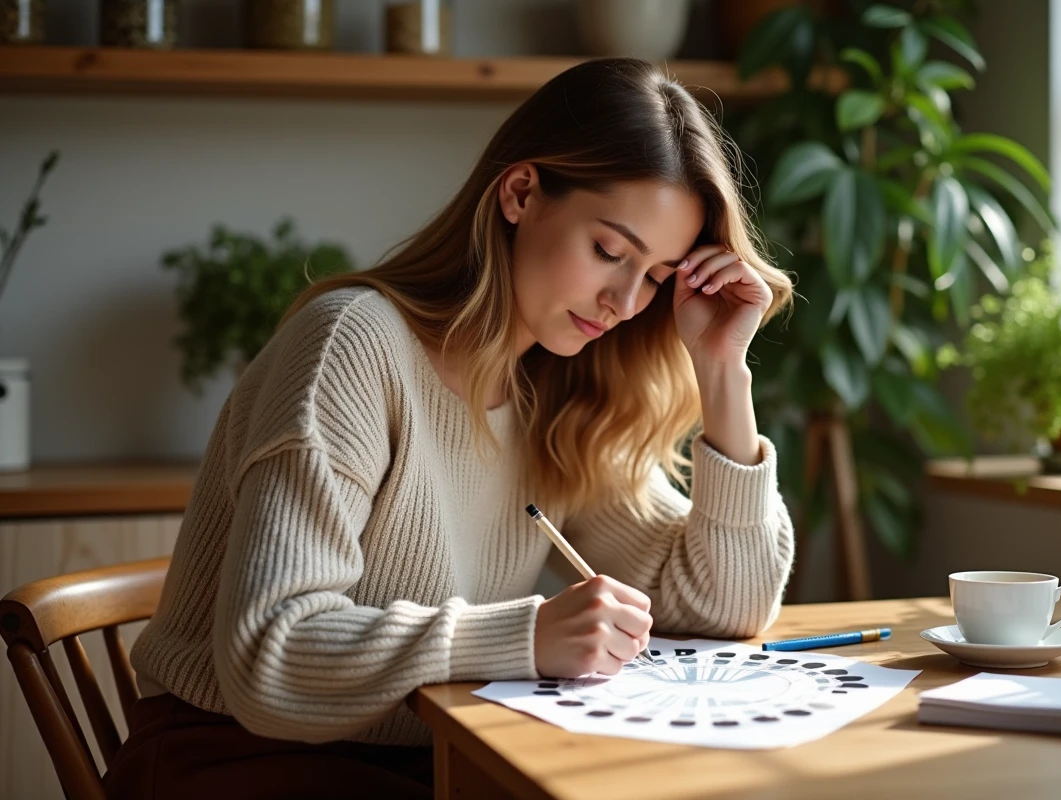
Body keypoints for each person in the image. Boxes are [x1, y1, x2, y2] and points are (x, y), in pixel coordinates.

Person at [103, 57, 796, 799]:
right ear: (520, 193)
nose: (626, 303)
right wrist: (524, 636)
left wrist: (722, 371)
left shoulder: (557, 395)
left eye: (657, 276)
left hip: (429, 757)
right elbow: (266, 654)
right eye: (608, 252)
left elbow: (726, 606)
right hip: (238, 760)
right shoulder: (354, 346)